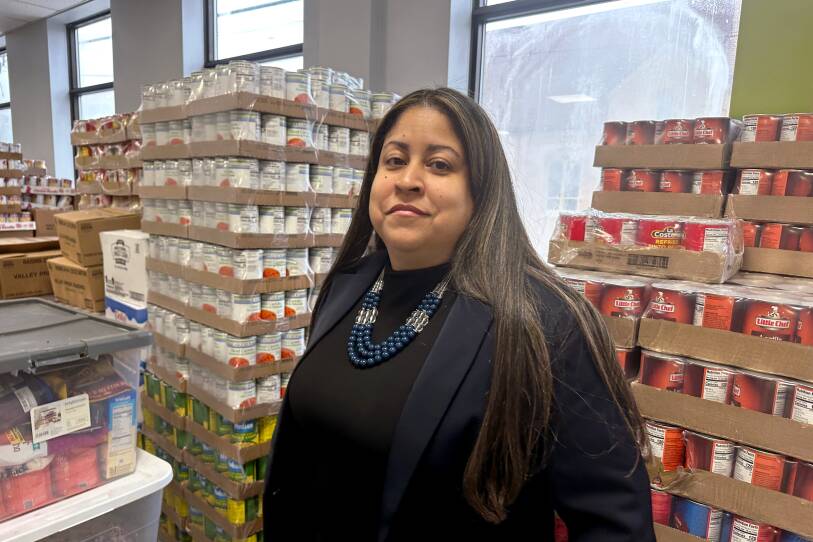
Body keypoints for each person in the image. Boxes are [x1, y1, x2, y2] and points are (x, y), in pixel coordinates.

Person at [263, 87, 655, 541]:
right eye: (394, 160)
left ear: (481, 191)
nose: (408, 180)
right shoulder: (349, 284)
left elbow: (614, 523)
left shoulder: (544, 323)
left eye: (439, 164)